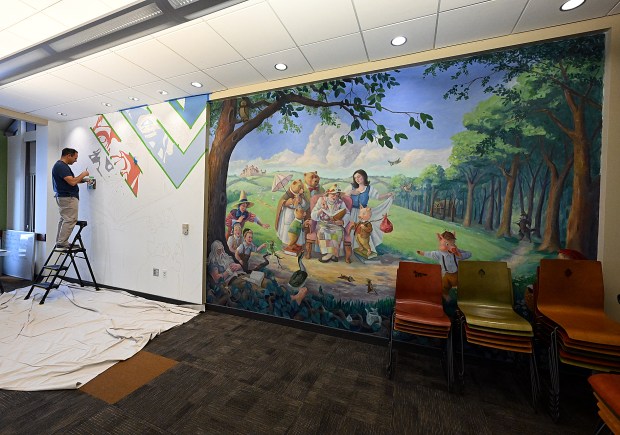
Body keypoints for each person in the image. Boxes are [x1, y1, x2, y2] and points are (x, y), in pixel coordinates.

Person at [344, 169, 394, 253]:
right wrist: (351, 192)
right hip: (351, 212)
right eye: (355, 177)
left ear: (364, 176)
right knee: (351, 230)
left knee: (363, 232)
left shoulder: (369, 189)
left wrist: (388, 195)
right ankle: (350, 250)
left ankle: (364, 249)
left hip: (363, 214)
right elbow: (342, 195)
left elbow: (378, 197)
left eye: (359, 176)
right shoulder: (351, 187)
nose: (357, 179)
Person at [51, 148, 90, 249]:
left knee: (65, 219)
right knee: (70, 219)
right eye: (75, 158)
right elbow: (72, 182)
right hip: (68, 197)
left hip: (63, 196)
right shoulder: (61, 166)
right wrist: (83, 174)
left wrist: (84, 180)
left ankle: (60, 241)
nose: (76, 160)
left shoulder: (60, 166)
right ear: (69, 155)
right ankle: (62, 242)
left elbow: (71, 180)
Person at [311, 184, 350, 263]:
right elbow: (313, 215)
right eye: (333, 194)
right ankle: (332, 254)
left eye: (337, 195)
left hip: (335, 224)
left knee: (338, 232)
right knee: (323, 232)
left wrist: (342, 221)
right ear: (328, 193)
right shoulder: (321, 200)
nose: (334, 196)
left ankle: (329, 255)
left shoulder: (340, 202)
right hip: (323, 223)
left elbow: (347, 213)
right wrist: (321, 210)